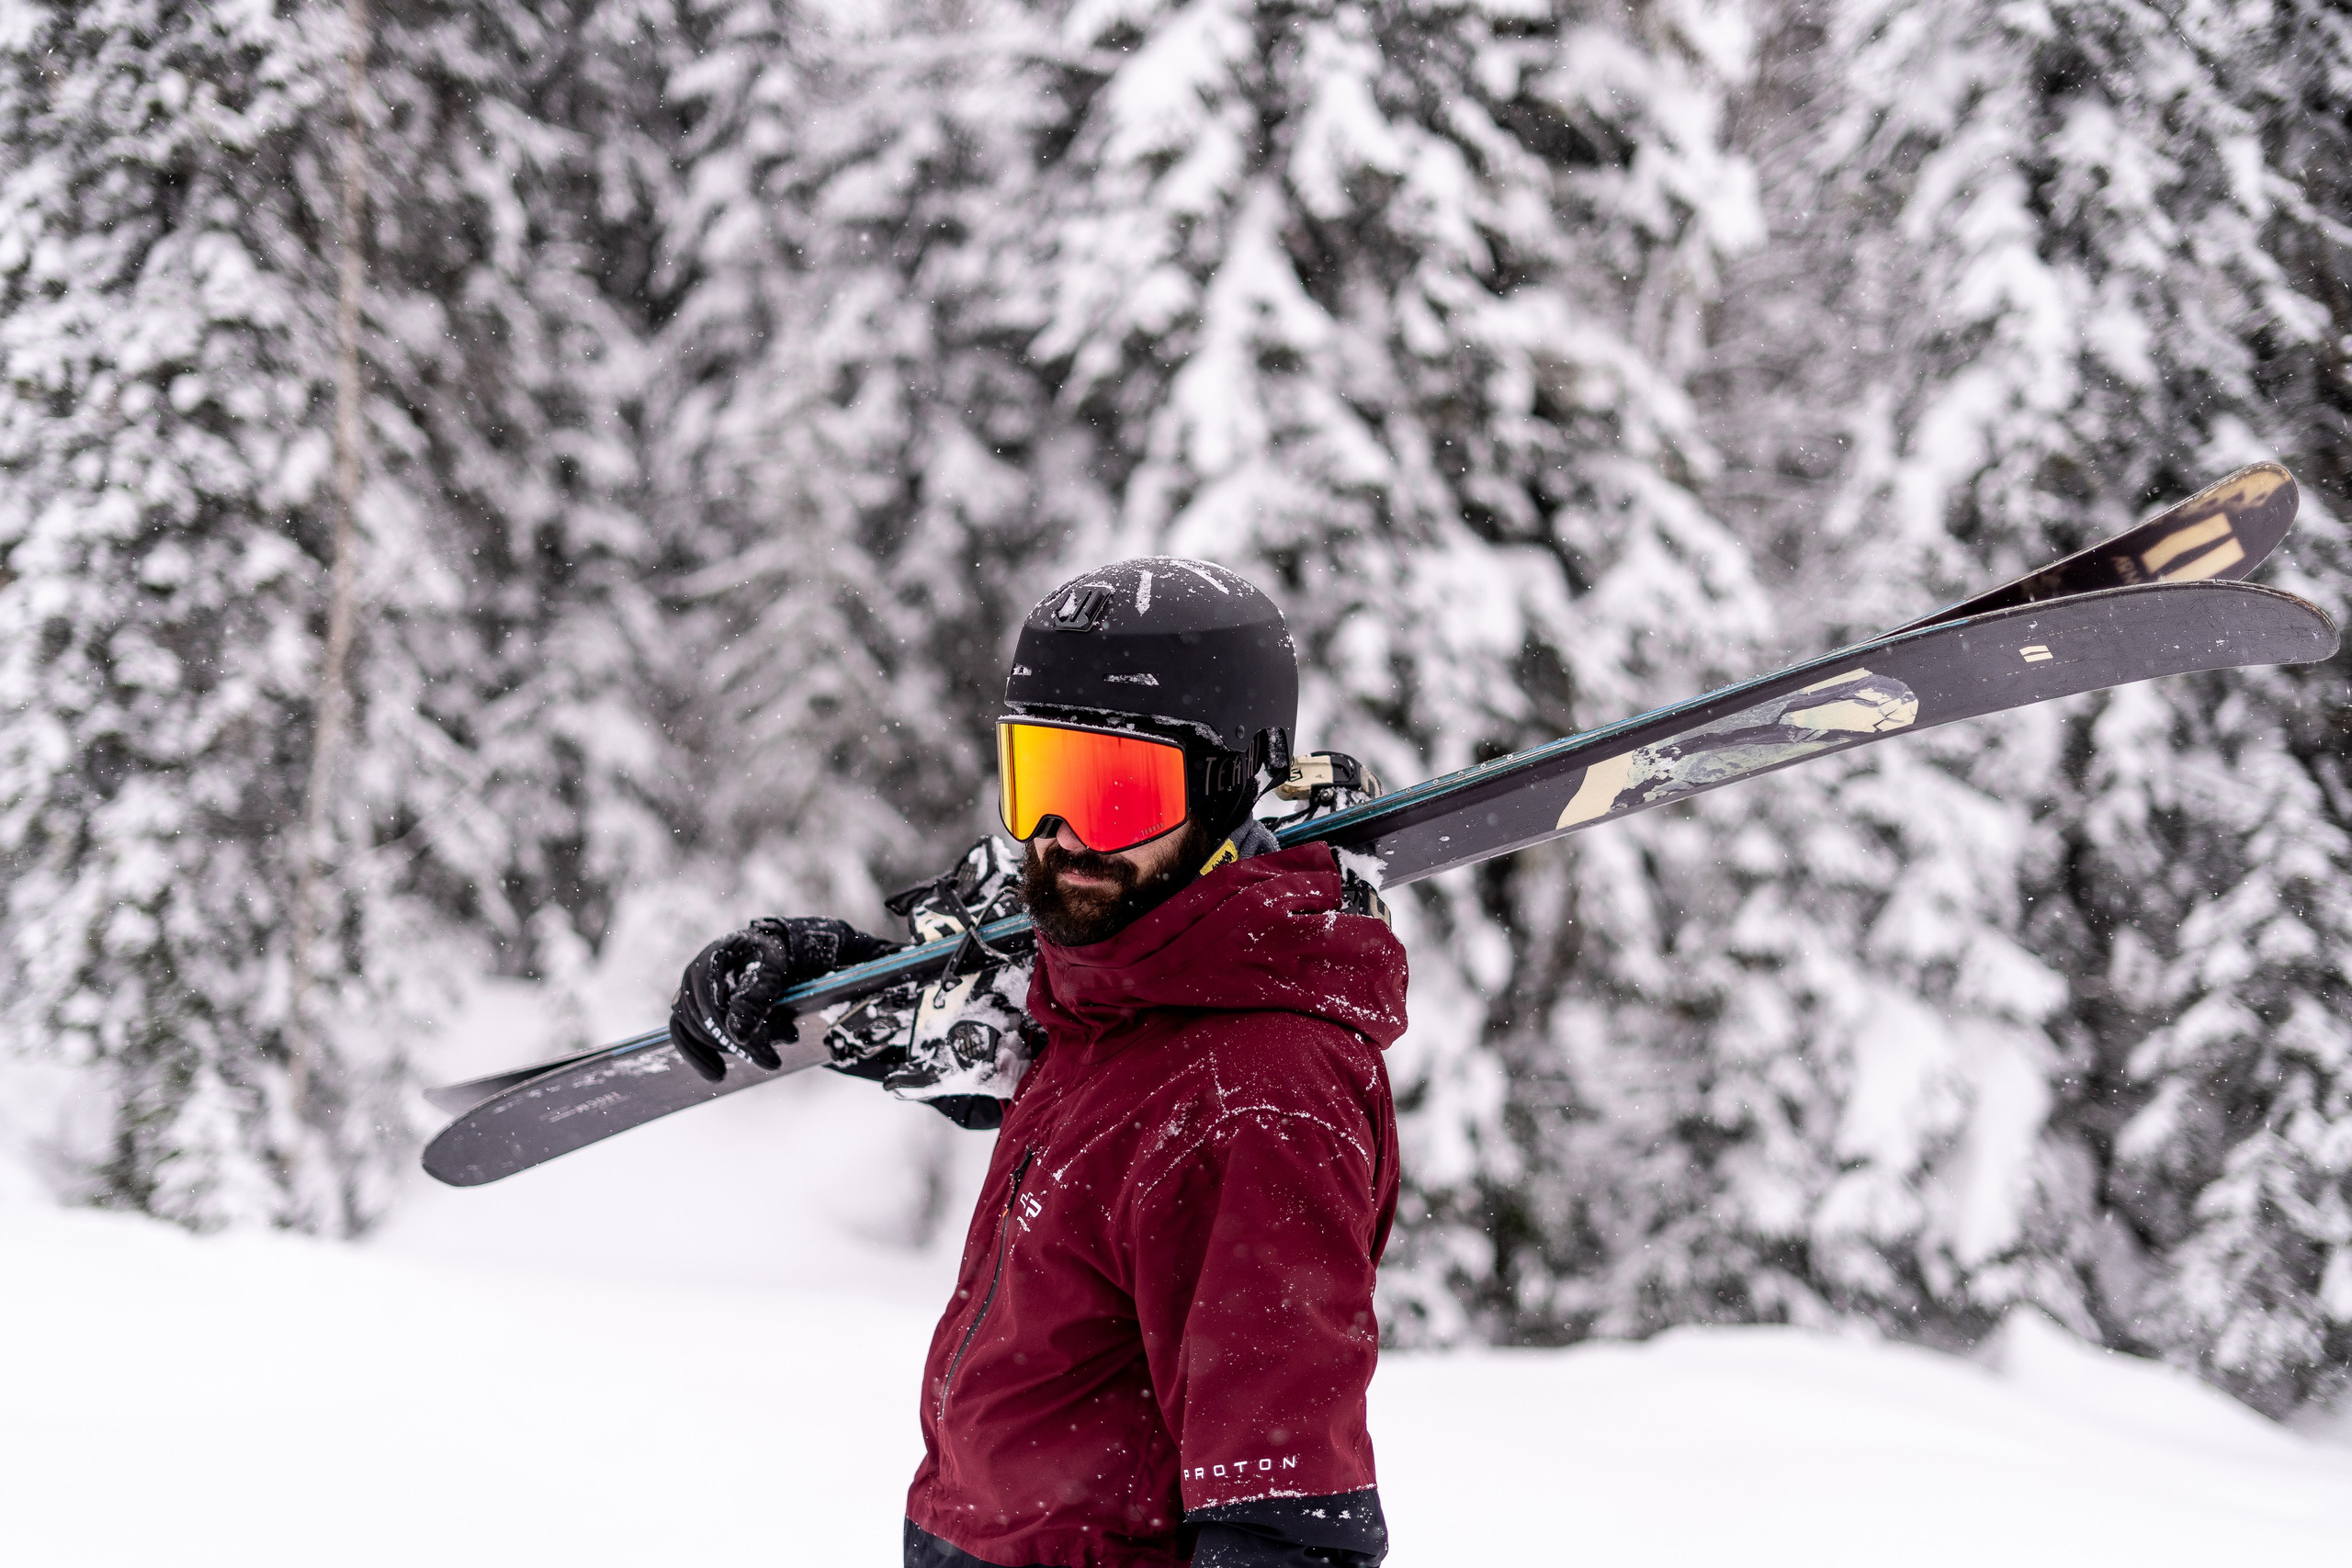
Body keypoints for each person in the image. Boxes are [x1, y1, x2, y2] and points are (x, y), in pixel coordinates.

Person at [669, 558, 1408, 1568]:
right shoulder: (1120, 995)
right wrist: (832, 981)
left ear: (1231, 784)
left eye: (1118, 791)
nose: (1061, 836)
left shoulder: (1256, 1101)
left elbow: (1283, 1523)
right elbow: (1047, 1085)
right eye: (1041, 781)